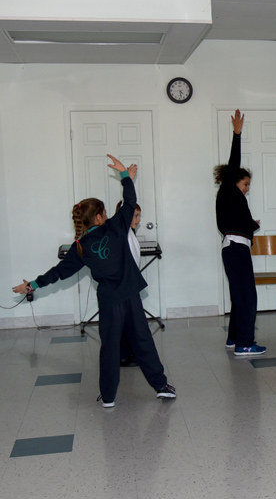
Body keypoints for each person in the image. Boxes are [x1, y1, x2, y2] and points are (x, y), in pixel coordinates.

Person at [13, 156, 175, 407]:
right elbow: (130, 201)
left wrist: (32, 285)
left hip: (109, 302)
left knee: (109, 348)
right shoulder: (117, 226)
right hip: (131, 296)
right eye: (105, 212)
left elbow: (59, 272)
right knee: (143, 342)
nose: (108, 214)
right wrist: (125, 176)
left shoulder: (79, 247)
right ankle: (161, 386)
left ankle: (108, 396)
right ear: (99, 217)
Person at [214, 109, 265, 357]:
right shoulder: (228, 191)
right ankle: (245, 344)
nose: (246, 189)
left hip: (234, 246)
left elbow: (235, 222)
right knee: (247, 296)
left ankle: (235, 339)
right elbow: (234, 164)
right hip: (236, 248)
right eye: (245, 184)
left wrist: (250, 224)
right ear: (234, 181)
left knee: (239, 295)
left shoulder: (231, 200)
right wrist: (237, 133)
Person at [115, 199, 142, 366]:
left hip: (130, 283)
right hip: (124, 284)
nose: (138, 220)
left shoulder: (130, 233)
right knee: (125, 321)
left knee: (130, 321)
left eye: (139, 216)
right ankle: (123, 355)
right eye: (136, 216)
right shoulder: (122, 232)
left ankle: (129, 352)